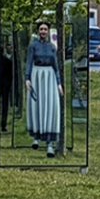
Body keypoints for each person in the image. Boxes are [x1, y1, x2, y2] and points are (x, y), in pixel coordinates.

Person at [25, 21, 62, 155]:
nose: (43, 32)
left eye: (45, 29)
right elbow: (29, 62)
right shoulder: (33, 46)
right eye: (41, 29)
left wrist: (59, 83)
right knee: (37, 105)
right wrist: (27, 78)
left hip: (49, 76)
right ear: (38, 31)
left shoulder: (52, 47)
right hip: (37, 75)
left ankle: (49, 143)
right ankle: (36, 137)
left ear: (48, 31)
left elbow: (56, 66)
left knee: (50, 106)